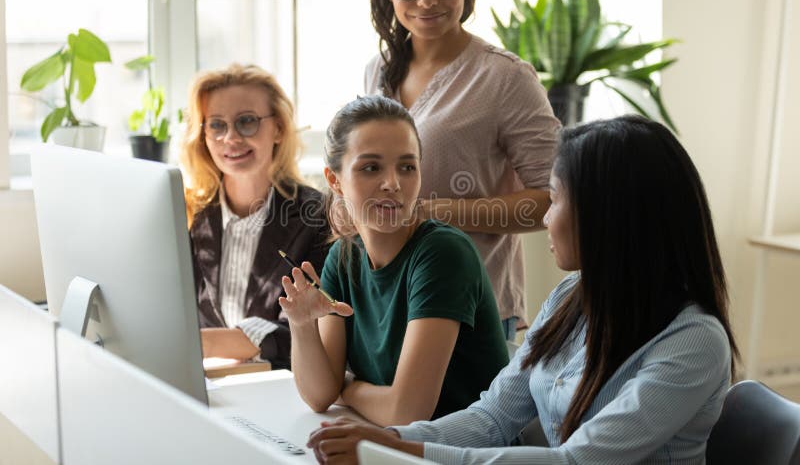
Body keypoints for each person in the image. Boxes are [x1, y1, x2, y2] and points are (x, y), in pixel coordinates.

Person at [306, 115, 741, 464]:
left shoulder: (694, 341)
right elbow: (493, 417)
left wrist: (400, 447)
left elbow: (577, 460)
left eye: (555, 200)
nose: (546, 219)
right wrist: (387, 439)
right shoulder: (569, 298)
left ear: (608, 217)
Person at [364, 0, 562, 340]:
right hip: (386, 297)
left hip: (471, 302)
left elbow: (554, 197)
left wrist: (428, 213)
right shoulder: (378, 71)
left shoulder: (505, 78)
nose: (426, 0)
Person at [278, 95, 509, 428]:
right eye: (371, 167)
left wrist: (347, 388)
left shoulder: (442, 253)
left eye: (407, 166)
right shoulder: (343, 258)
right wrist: (301, 325)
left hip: (464, 453)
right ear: (334, 179)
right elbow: (318, 396)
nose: (393, 183)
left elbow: (407, 411)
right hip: (400, 448)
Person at [181, 63, 329, 370]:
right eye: (217, 125)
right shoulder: (188, 215)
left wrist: (197, 343)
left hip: (282, 390)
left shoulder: (317, 216)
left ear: (277, 128)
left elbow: (307, 332)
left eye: (247, 122)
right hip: (207, 386)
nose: (231, 138)